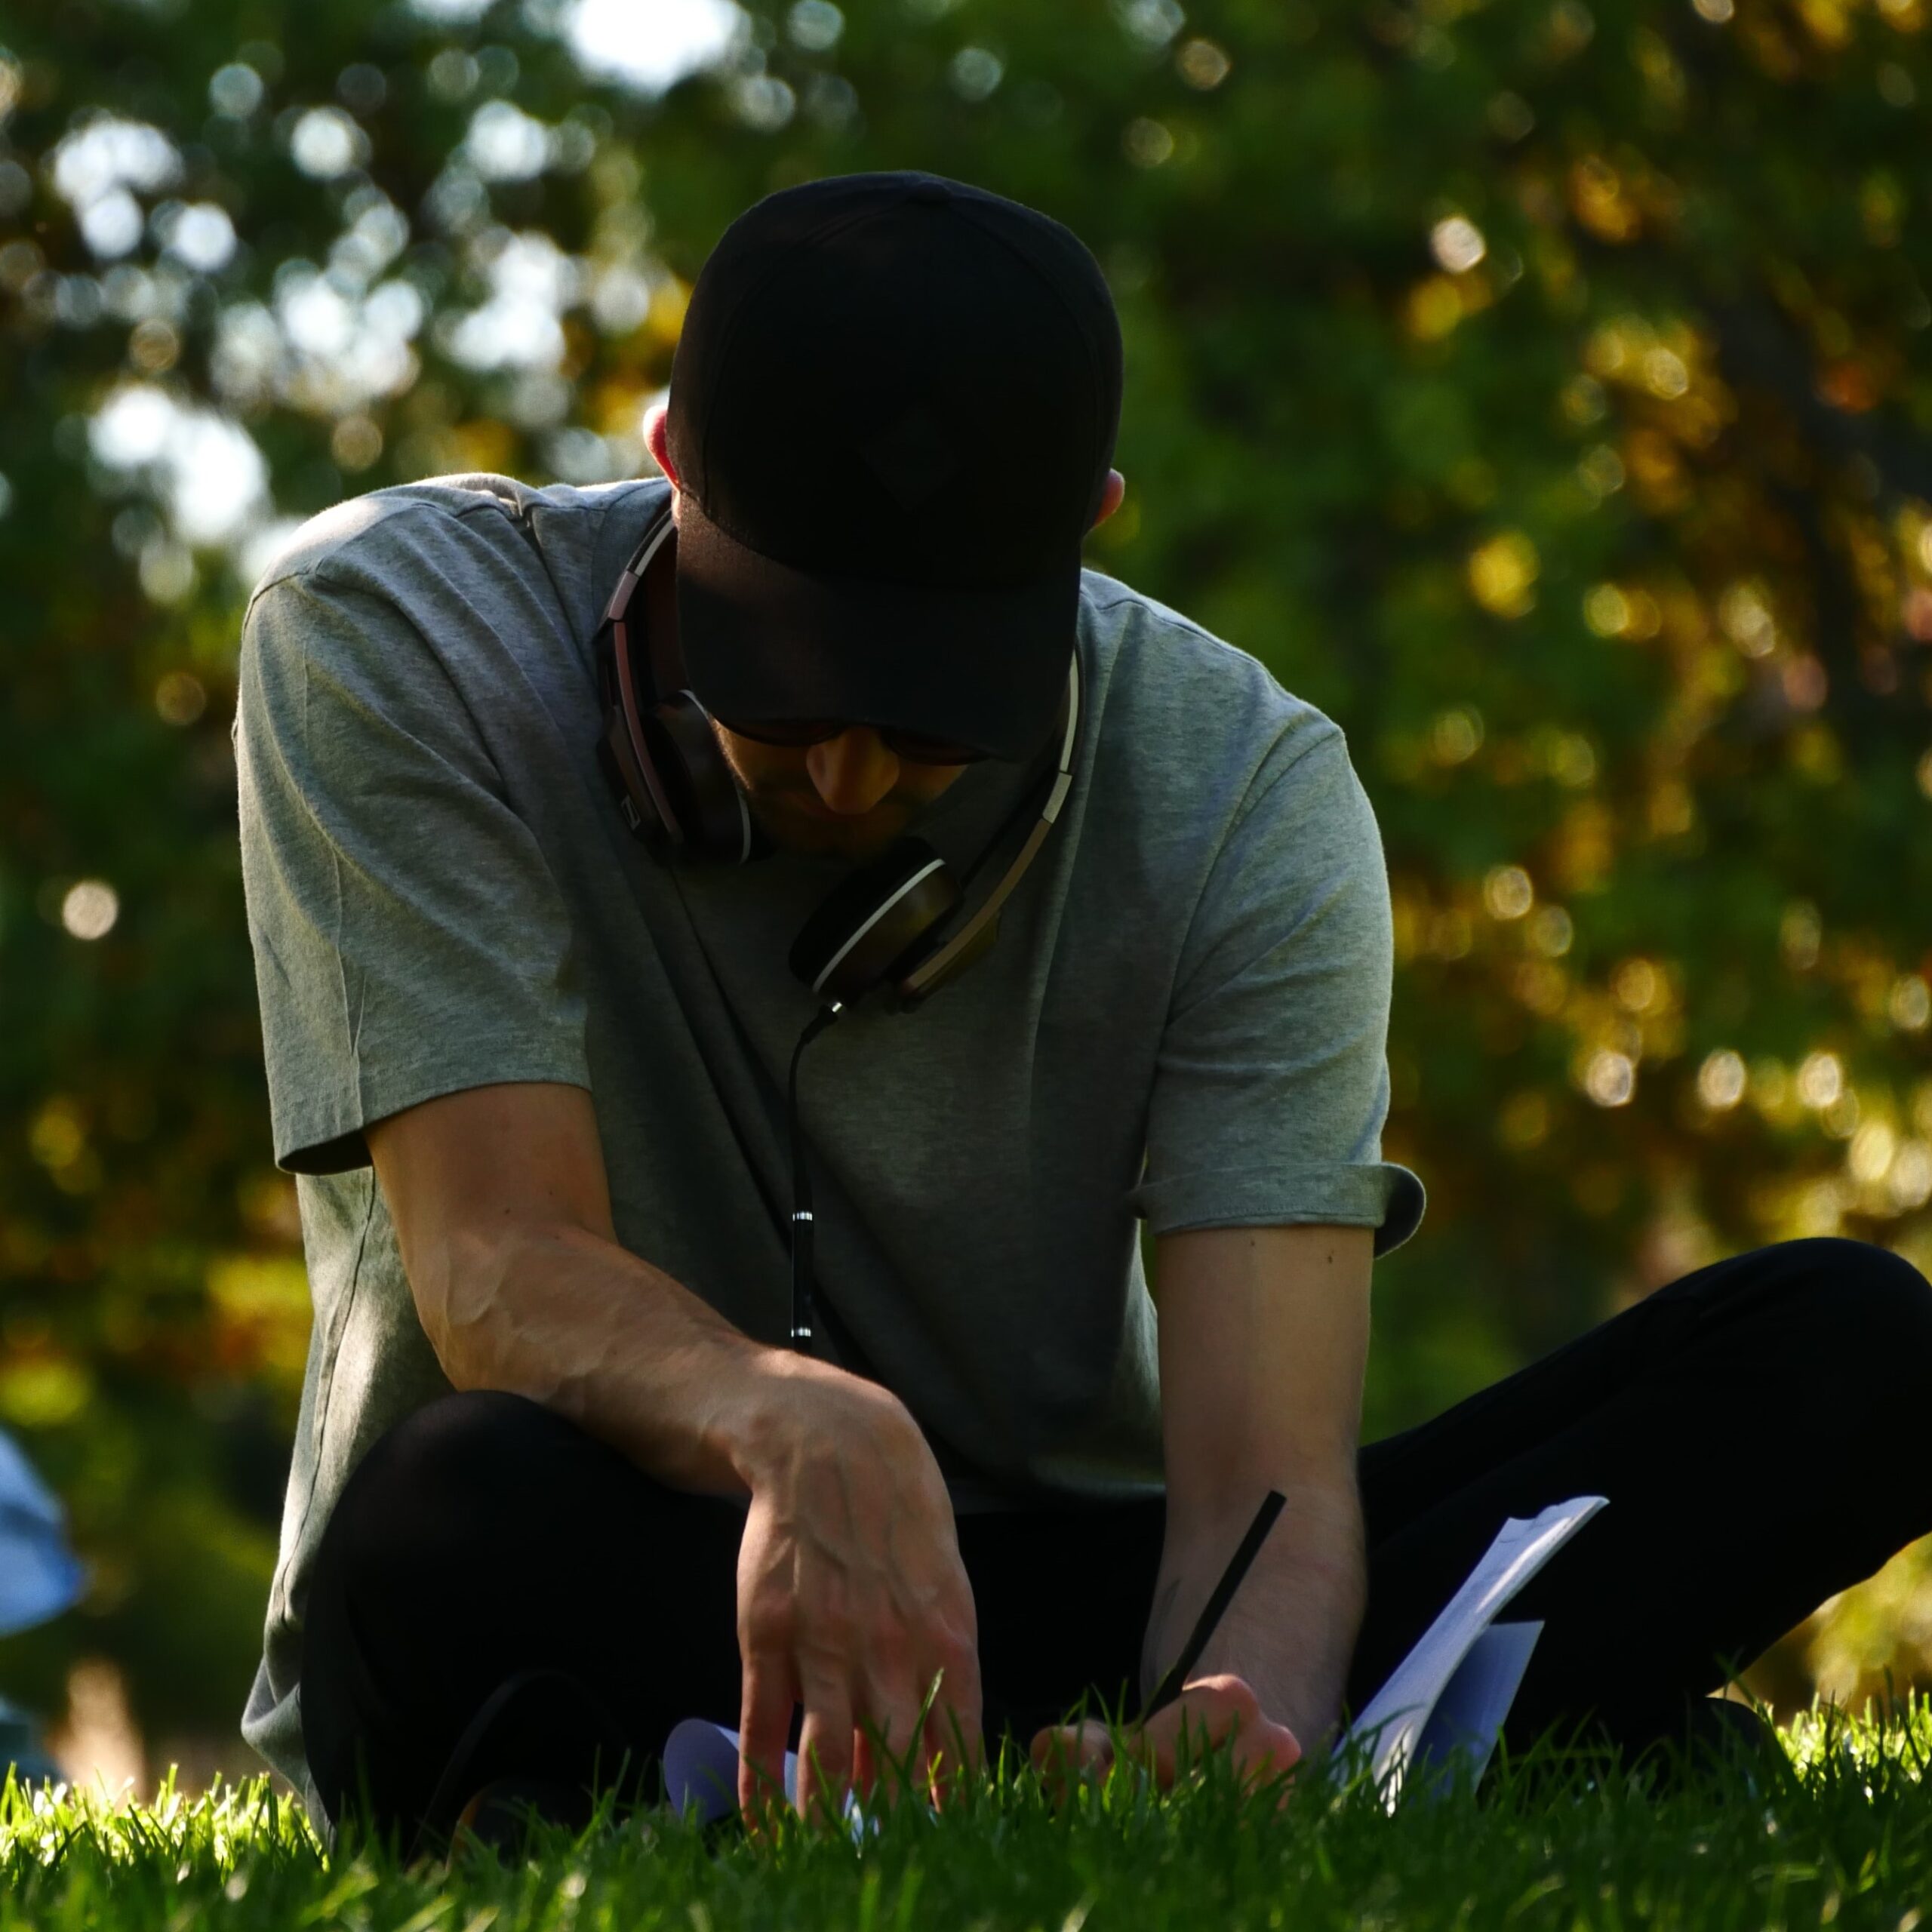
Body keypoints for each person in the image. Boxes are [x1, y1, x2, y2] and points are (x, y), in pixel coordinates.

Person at [233, 171, 1932, 1847]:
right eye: (780, 680)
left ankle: (790, 1800)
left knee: (1848, 1345)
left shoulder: (1246, 791)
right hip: (643, 1560)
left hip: (1067, 1614)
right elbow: (495, 1265)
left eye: (924, 714)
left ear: (1092, 522)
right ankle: (1549, 1733)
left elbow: (1259, 1480)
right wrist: (790, 1421)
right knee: (453, 1511)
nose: (842, 769)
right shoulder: (390, 629)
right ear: (669, 462)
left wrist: (1227, 1716)